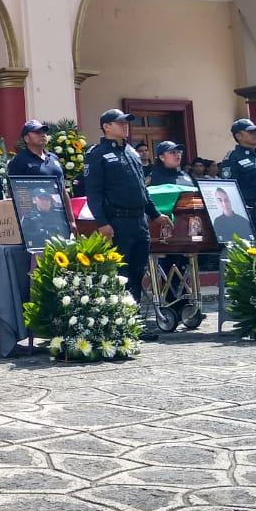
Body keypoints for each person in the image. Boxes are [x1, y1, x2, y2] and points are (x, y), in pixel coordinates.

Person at [83, 109, 170, 341]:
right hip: (117, 221)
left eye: (126, 123)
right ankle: (118, 321)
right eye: (120, 123)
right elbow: (93, 193)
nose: (125, 126)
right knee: (119, 273)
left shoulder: (131, 152)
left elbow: (143, 190)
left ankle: (135, 322)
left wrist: (156, 215)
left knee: (137, 271)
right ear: (106, 126)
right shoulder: (97, 154)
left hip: (139, 221)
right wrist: (102, 223)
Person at [148, 141, 194, 303]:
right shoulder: (154, 178)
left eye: (179, 152)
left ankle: (188, 302)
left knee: (187, 266)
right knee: (169, 267)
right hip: (166, 231)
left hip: (189, 230)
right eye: (172, 152)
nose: (177, 155)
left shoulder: (185, 176)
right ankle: (172, 303)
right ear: (161, 157)